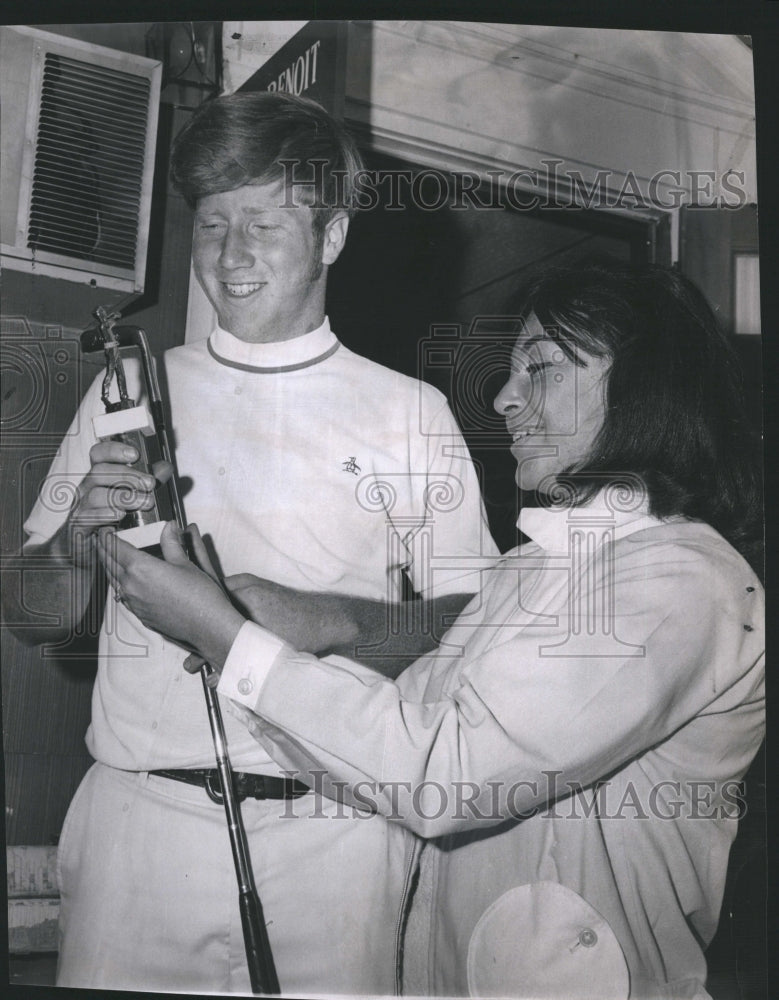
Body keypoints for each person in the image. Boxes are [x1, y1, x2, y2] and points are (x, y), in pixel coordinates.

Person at [102, 260, 764, 999]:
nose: (505, 397)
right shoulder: (530, 570)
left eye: (539, 368)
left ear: (648, 382)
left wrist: (230, 639)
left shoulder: (681, 580)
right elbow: (386, 752)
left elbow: (445, 776)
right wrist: (238, 632)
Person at [6, 91, 497, 994]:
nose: (229, 256)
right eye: (212, 224)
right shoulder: (128, 394)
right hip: (138, 833)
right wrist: (73, 542)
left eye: (263, 223)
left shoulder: (409, 414)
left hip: (337, 841)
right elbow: (34, 620)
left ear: (333, 236)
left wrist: (326, 619)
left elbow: (477, 631)